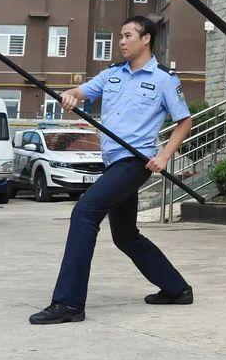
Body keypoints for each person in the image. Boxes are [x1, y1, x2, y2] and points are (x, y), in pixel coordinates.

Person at [30, 16, 194, 325]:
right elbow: (81, 93)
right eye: (120, 35)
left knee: (84, 212)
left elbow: (184, 120)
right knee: (125, 235)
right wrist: (71, 96)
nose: (121, 41)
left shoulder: (163, 79)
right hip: (113, 162)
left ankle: (68, 303)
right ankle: (177, 289)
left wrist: (164, 156)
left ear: (146, 39)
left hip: (134, 162)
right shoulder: (112, 75)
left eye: (128, 35)